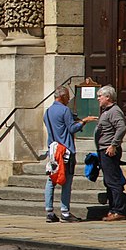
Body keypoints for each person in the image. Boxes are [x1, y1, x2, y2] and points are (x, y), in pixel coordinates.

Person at [43, 86, 96, 223]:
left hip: (53, 150)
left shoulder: (47, 112)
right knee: (67, 181)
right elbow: (72, 128)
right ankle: (65, 212)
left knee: (51, 180)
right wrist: (84, 121)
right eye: (67, 97)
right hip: (66, 150)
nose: (68, 100)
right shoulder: (65, 110)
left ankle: (49, 211)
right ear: (62, 96)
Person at [95, 85, 126, 221]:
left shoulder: (114, 111)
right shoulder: (106, 111)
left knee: (113, 181)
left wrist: (113, 145)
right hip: (103, 150)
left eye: (100, 96)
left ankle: (118, 210)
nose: (98, 99)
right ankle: (112, 208)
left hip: (109, 150)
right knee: (108, 181)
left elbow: (121, 128)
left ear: (108, 97)